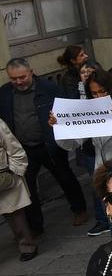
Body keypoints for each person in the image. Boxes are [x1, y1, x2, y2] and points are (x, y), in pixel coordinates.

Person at [0, 58, 90, 232]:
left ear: (31, 72)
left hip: (49, 144)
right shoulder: (4, 93)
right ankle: (35, 226)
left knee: (65, 176)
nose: (18, 82)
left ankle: (79, 209)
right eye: (14, 79)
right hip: (23, 148)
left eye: (22, 77)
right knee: (28, 187)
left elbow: (67, 110)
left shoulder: (50, 89)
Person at [0, 118, 37, 260]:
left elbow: (14, 148)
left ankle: (27, 245)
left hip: (4, 176)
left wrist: (15, 171)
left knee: (15, 213)